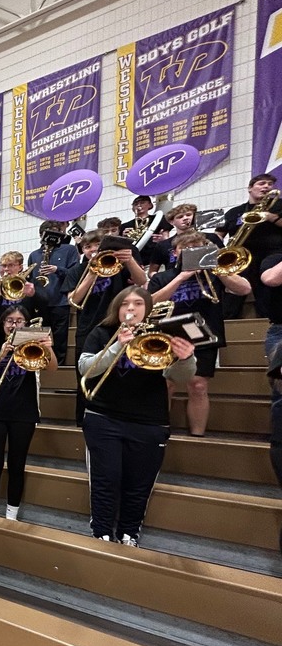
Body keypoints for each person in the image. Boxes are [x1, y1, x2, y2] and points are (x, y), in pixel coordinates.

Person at [78, 287, 196, 545]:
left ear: (149, 308)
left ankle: (129, 533)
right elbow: (86, 368)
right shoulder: (101, 333)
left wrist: (186, 359)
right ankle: (102, 532)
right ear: (116, 308)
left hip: (149, 422)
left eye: (138, 303)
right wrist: (116, 346)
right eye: (125, 304)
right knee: (105, 480)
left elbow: (179, 378)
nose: (131, 309)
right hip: (103, 417)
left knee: (139, 485)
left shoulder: (162, 335)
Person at [148, 233, 251, 436]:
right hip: (169, 334)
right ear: (175, 252)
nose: (193, 251)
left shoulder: (215, 272)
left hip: (204, 334)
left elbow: (244, 289)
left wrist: (218, 270)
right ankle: (158, 430)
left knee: (198, 385)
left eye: (197, 247)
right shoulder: (163, 276)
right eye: (186, 248)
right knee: (166, 384)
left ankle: (197, 435)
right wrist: (181, 277)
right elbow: (151, 302)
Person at [0, 306, 56, 520]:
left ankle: (12, 513)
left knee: (17, 465)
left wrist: (49, 348)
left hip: (24, 413)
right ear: (2, 324)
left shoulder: (32, 346)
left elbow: (52, 369)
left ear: (26, 325)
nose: (14, 325)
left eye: (20, 321)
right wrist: (0, 355)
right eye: (9, 320)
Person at [64, 232, 148, 425]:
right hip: (89, 327)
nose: (92, 250)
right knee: (86, 374)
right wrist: (92, 273)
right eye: (87, 247)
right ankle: (84, 420)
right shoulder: (78, 270)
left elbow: (141, 280)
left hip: (120, 326)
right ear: (83, 251)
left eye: (96, 246)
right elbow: (73, 300)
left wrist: (130, 260)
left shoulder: (119, 265)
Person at [218, 173, 282, 319]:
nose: (266, 186)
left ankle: (270, 320)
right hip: (242, 256)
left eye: (270, 184)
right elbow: (218, 235)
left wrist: (271, 217)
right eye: (261, 183)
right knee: (231, 289)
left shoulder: (279, 205)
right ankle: (227, 321)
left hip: (273, 254)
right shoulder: (234, 212)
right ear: (250, 188)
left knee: (267, 292)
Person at [27, 220, 78, 365]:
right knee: (40, 336)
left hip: (60, 300)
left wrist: (57, 270)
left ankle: (58, 366)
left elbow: (75, 273)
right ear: (41, 235)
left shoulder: (69, 250)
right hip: (40, 302)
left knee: (60, 337)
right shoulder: (34, 255)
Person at [0, 251, 36, 340]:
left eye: (11, 265)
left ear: (20, 267)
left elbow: (44, 306)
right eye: (3, 266)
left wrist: (34, 294)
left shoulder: (30, 285)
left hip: (24, 334)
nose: (6, 269)